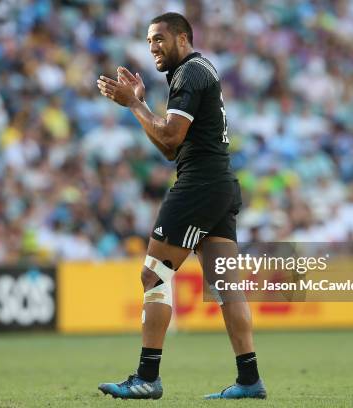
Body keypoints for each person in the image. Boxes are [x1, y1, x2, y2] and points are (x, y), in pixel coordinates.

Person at [96, 12, 266, 400]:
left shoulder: (189, 73)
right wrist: (139, 103)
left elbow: (171, 139)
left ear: (182, 39)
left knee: (154, 275)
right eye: (148, 41)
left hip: (199, 187)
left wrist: (134, 106)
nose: (153, 47)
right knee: (227, 287)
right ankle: (249, 379)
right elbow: (169, 148)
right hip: (219, 184)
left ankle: (147, 376)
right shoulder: (196, 72)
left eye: (159, 39)